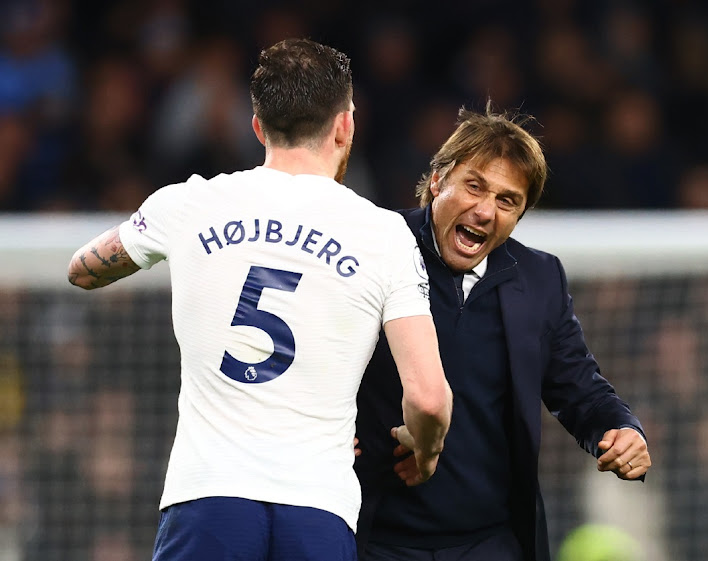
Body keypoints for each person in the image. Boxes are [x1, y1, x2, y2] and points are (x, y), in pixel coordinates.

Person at [67, 38, 453, 561]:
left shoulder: (189, 204)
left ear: (257, 126)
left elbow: (81, 270)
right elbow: (429, 398)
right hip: (318, 509)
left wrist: (155, 237)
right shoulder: (384, 235)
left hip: (207, 502)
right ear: (345, 126)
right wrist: (426, 450)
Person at [354, 102, 652, 561]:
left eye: (507, 200)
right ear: (438, 180)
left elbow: (579, 388)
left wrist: (620, 428)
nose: (485, 210)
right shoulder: (372, 247)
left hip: (488, 542)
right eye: (474, 187)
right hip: (374, 538)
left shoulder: (539, 279)